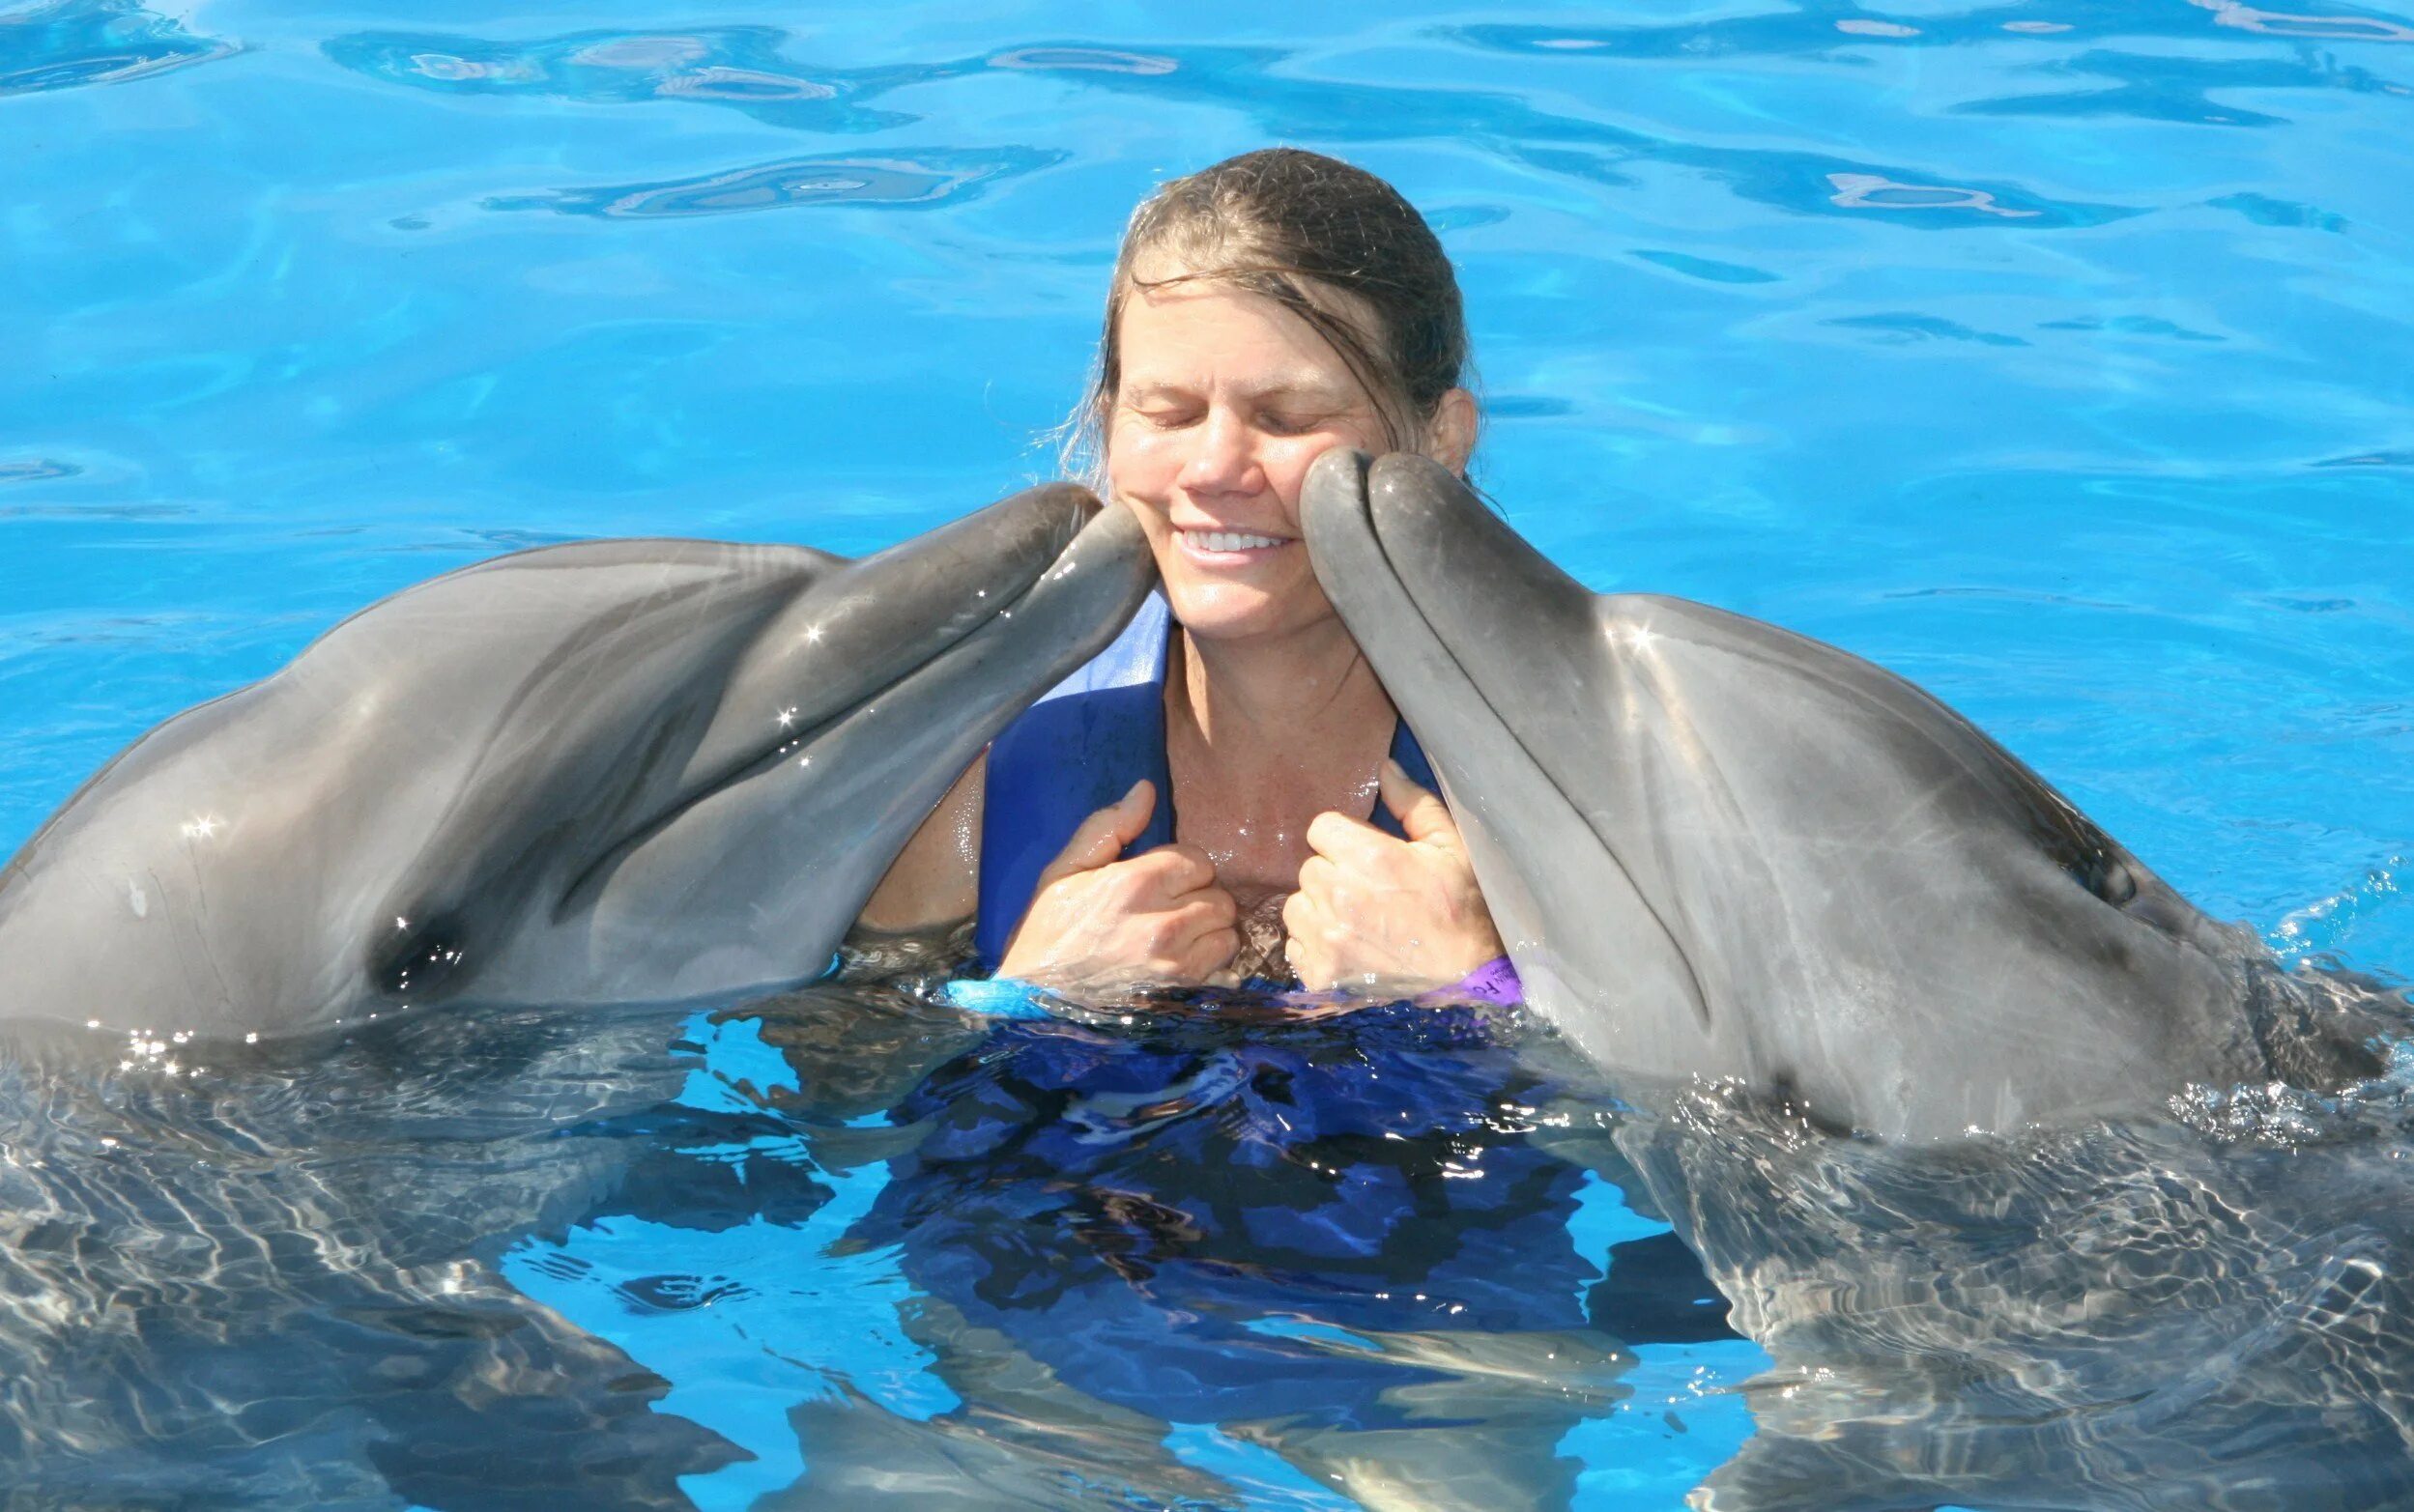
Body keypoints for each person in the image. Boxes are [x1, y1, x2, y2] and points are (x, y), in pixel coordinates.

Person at [860, 147, 1508, 997]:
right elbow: (832, 1097)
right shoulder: (980, 780)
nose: (1211, 469)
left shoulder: (1557, 785)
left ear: (1440, 440)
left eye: (1287, 416)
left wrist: (1478, 997)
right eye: (1168, 413)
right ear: (1109, 428)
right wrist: (1024, 995)